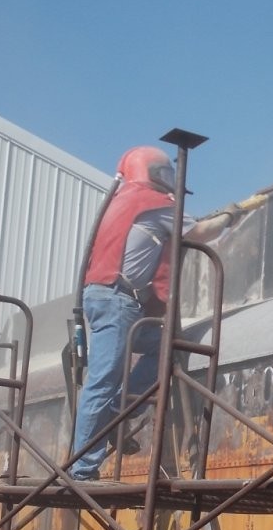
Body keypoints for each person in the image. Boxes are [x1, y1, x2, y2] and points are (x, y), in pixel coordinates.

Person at [69, 146, 243, 481]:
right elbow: (199, 232)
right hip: (117, 300)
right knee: (102, 381)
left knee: (167, 344)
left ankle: (117, 410)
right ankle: (83, 469)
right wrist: (229, 217)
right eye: (164, 173)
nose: (169, 181)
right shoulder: (153, 202)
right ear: (148, 173)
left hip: (111, 297)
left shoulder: (122, 202)